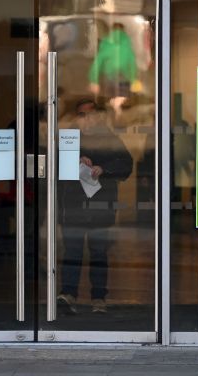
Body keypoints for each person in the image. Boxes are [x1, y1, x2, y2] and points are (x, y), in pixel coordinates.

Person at [57, 98, 133, 314]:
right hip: (72, 206)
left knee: (99, 253)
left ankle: (98, 298)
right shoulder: (68, 139)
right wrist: (75, 159)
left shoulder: (109, 139)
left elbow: (126, 165)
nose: (87, 119)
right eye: (82, 115)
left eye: (91, 114)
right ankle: (68, 294)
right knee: (72, 252)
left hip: (101, 207)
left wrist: (104, 169)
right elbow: (52, 166)